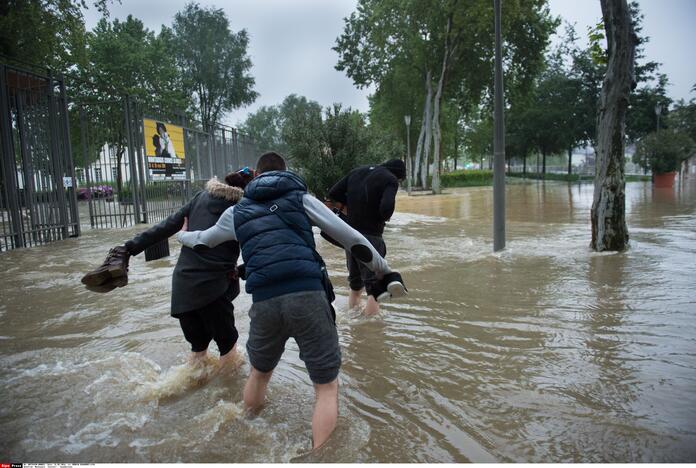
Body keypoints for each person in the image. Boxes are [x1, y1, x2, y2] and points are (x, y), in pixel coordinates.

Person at [176, 152, 396, 449]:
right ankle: (321, 456)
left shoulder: (237, 212)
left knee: (258, 374)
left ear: (254, 176)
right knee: (326, 388)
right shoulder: (302, 199)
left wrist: (182, 236)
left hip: (265, 302)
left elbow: (204, 240)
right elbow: (350, 237)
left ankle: (247, 432)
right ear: (285, 172)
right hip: (307, 295)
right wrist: (384, 270)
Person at [81, 168, 254, 367]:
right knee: (229, 351)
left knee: (198, 352)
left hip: (182, 290)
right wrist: (241, 271)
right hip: (212, 290)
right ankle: (224, 396)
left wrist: (128, 248)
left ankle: (189, 393)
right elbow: (261, 250)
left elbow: (165, 227)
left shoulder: (200, 198)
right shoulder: (243, 209)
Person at [326, 159, 407, 316]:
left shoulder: (357, 171)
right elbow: (386, 209)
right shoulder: (390, 179)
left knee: (355, 286)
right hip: (372, 237)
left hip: (350, 236)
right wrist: (382, 217)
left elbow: (333, 194)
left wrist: (347, 210)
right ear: (398, 175)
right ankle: (371, 331)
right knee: (375, 289)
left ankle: (354, 323)